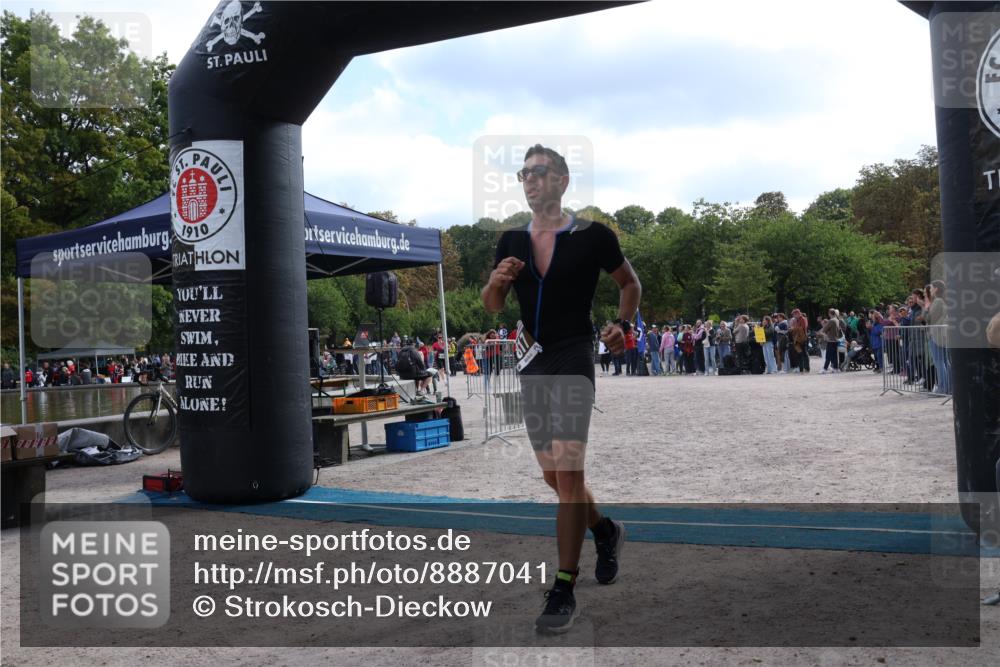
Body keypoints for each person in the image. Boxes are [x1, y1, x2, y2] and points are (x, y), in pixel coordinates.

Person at [481, 143, 640, 633]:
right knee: (553, 478)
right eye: (522, 173)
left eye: (538, 172)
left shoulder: (594, 236)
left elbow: (629, 285)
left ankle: (564, 586)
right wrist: (495, 280)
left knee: (569, 476)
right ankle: (605, 529)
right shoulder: (510, 239)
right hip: (532, 361)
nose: (529, 180)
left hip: (573, 355)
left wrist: (621, 325)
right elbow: (491, 306)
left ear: (563, 180)